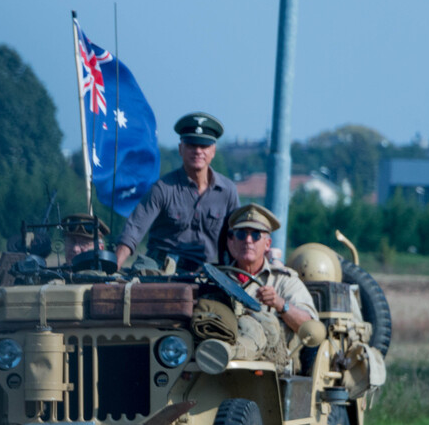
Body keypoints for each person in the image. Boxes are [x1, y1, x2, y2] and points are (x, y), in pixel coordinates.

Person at [115, 112, 240, 270]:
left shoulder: (227, 191)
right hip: (161, 270)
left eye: (204, 146)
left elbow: (237, 239)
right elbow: (134, 229)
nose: (198, 151)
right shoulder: (163, 188)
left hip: (204, 272)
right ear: (181, 149)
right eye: (191, 145)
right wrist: (114, 266)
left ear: (213, 151)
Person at [219, 203, 317, 339]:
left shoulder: (284, 280)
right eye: (241, 234)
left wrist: (280, 304)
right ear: (232, 241)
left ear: (267, 244)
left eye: (256, 235)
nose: (248, 240)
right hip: (223, 356)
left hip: (273, 359)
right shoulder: (218, 279)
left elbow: (310, 329)